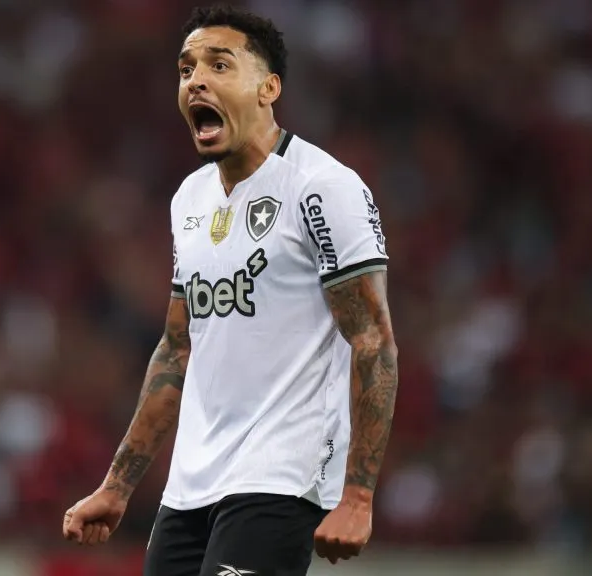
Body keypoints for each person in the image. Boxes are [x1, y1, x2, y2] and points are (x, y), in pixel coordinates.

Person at [62, 4, 399, 574]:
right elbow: (177, 349)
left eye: (219, 65)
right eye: (186, 68)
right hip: (191, 485)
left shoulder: (322, 188)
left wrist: (358, 497)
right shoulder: (189, 199)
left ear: (269, 88)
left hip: (282, 476)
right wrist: (117, 486)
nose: (196, 80)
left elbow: (373, 340)